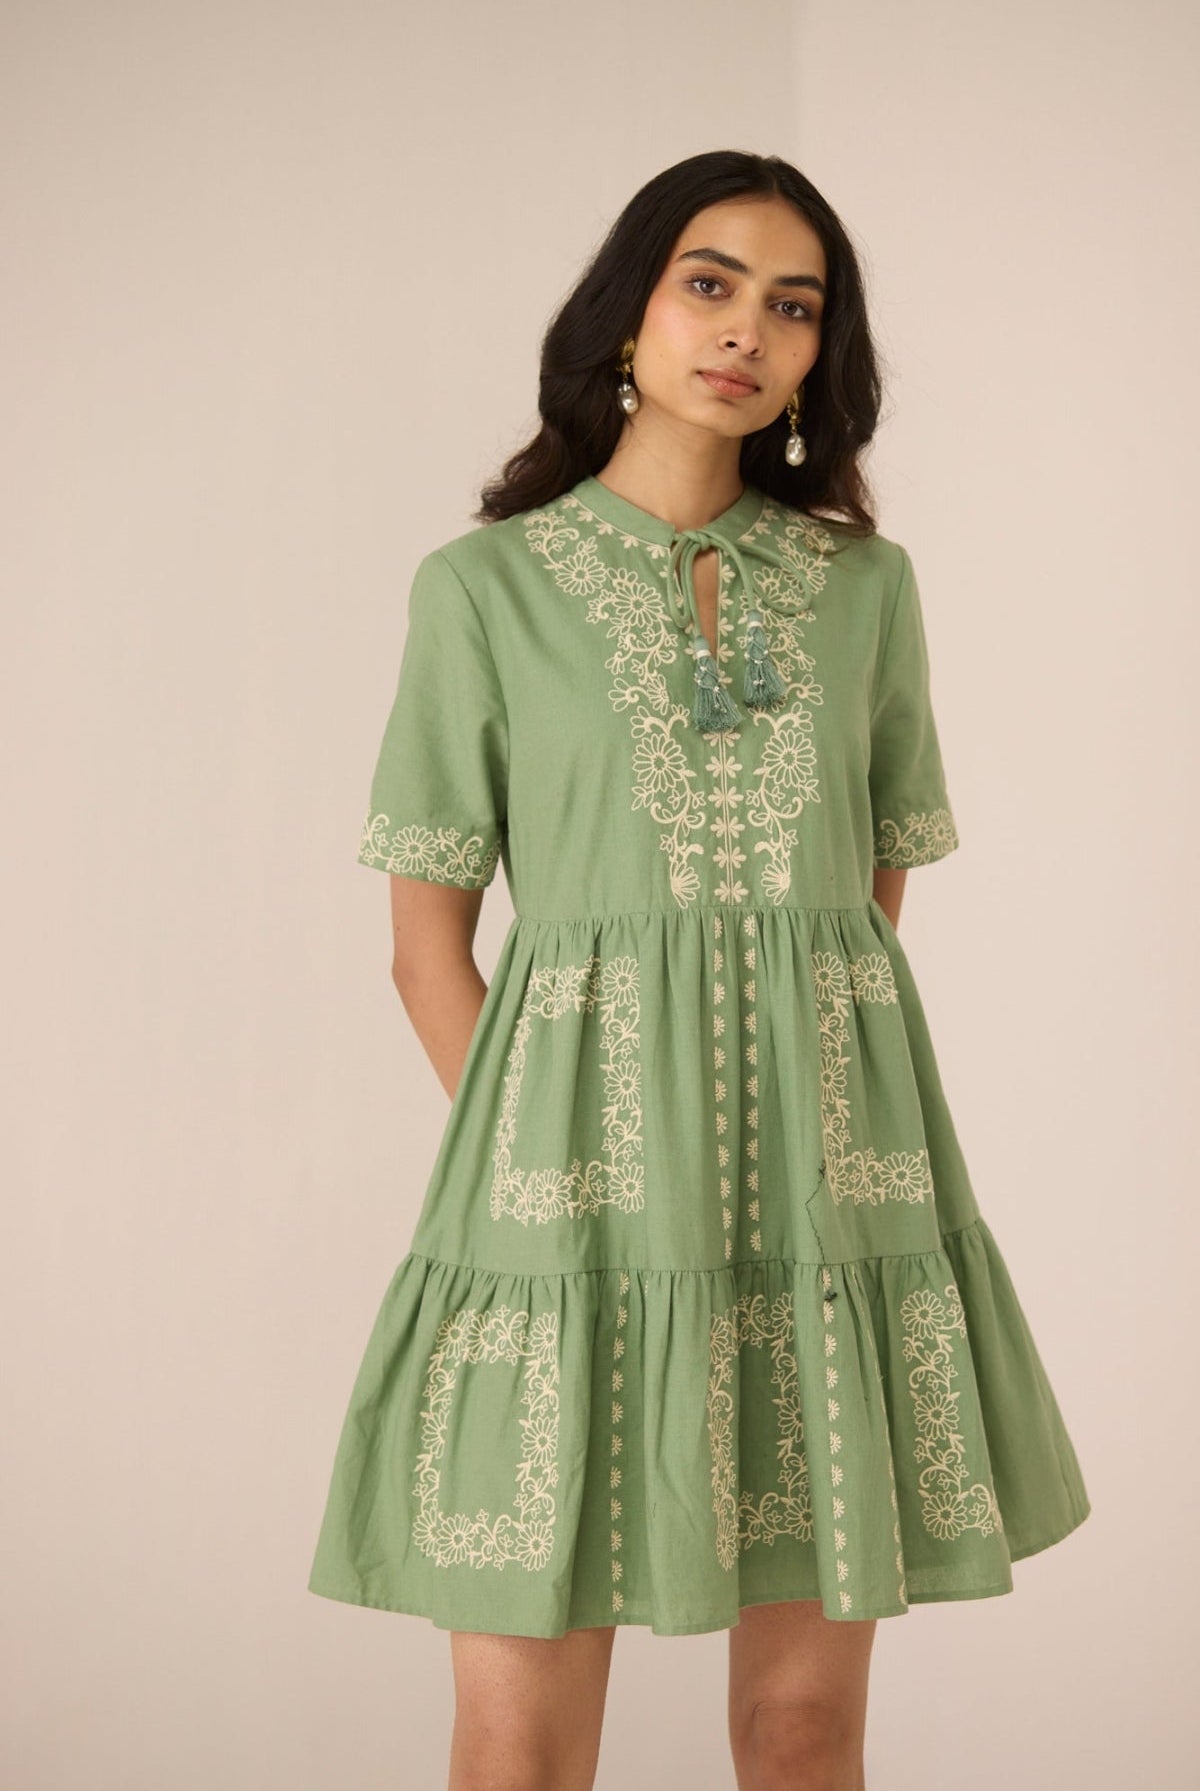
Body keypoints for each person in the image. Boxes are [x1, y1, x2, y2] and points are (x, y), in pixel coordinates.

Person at [308, 149, 1091, 1791]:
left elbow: (861, 905)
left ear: (820, 360)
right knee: (520, 1741)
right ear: (628, 316)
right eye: (709, 282)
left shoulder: (866, 591)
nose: (746, 331)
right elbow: (424, 942)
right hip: (567, 1207)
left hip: (821, 1203)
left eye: (793, 306)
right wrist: (549, 1147)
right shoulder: (485, 591)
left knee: (803, 1729)